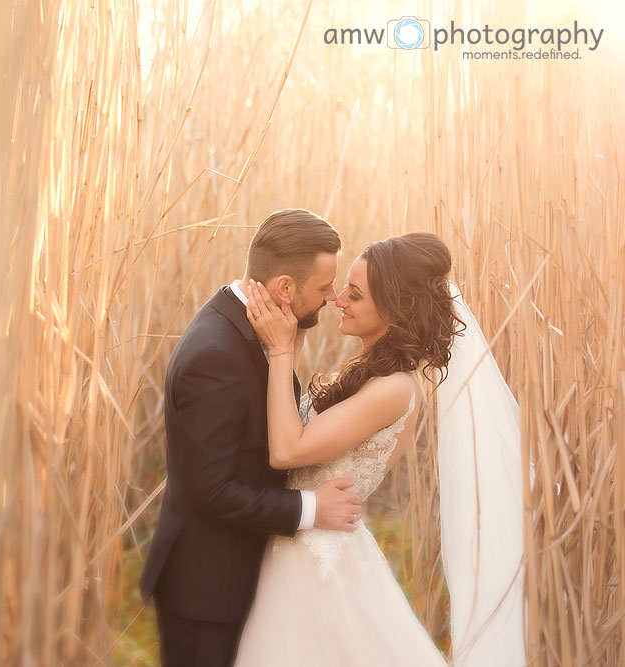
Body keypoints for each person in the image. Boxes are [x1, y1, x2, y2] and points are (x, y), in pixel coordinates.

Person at [233, 232, 525, 666]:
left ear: (393, 310)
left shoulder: (394, 389)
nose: (339, 301)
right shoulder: (368, 375)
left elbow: (288, 450)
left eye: (355, 294)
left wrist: (279, 351)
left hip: (320, 566)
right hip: (298, 550)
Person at [139, 209, 364, 667]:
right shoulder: (215, 355)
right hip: (205, 591)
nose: (331, 298)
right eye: (323, 288)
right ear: (284, 288)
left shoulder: (252, 326)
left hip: (231, 577)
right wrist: (312, 508)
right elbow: (211, 489)